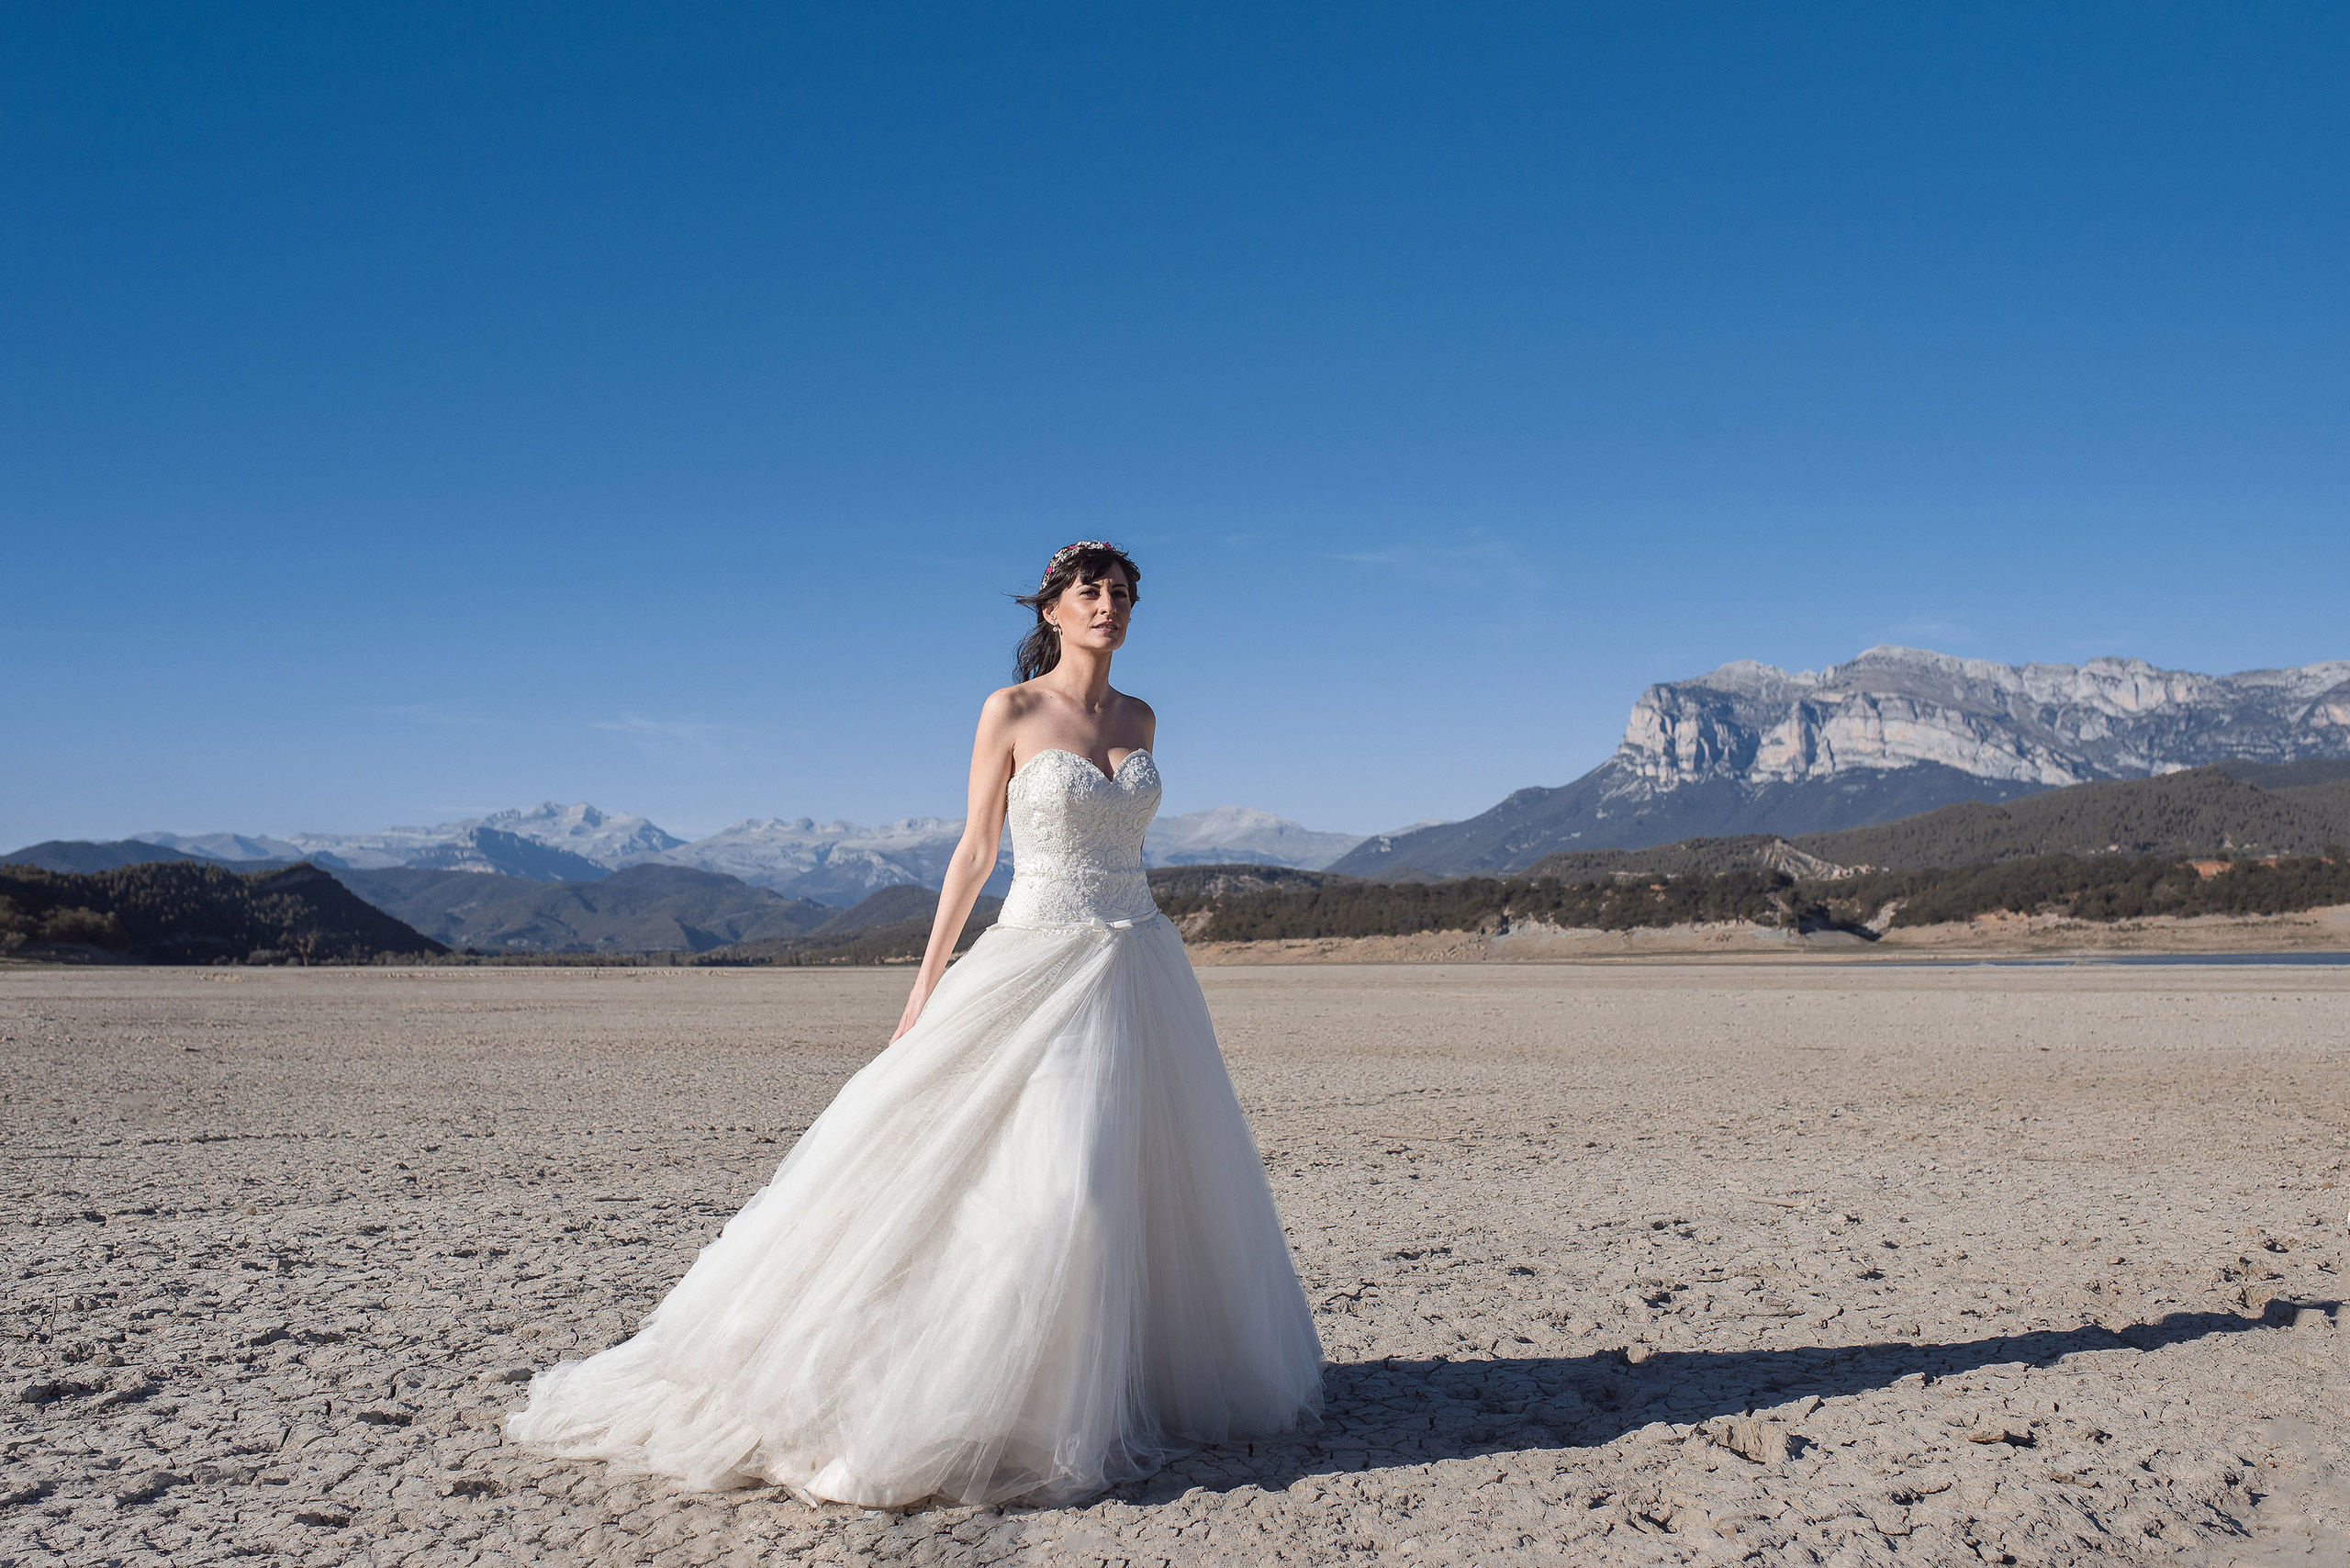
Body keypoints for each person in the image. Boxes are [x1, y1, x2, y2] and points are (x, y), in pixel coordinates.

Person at [506, 542, 1324, 1507]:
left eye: (1123, 594)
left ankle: (1113, 1393)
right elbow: (977, 849)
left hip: (1138, 960)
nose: (1110, 605)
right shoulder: (1010, 710)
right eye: (1091, 591)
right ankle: (1003, 1405)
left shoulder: (1141, 717)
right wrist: (924, 985)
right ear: (1052, 609)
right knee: (1065, 1182)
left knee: (1142, 1175)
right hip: (1037, 956)